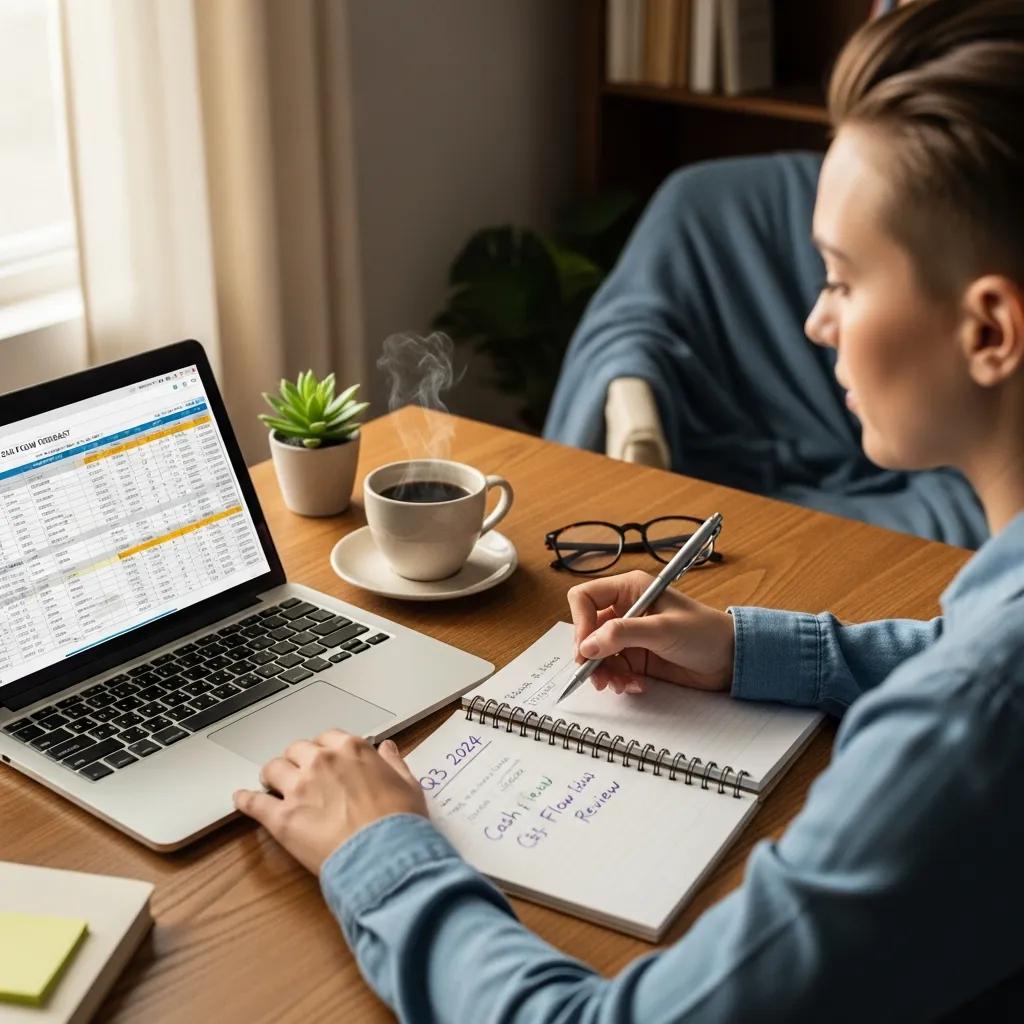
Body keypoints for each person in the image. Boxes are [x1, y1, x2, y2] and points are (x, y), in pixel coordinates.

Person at [234, 2, 1024, 1019]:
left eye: (840, 278)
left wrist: (375, 846)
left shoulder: (967, 724)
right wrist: (748, 645)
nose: (812, 320)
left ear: (991, 328)